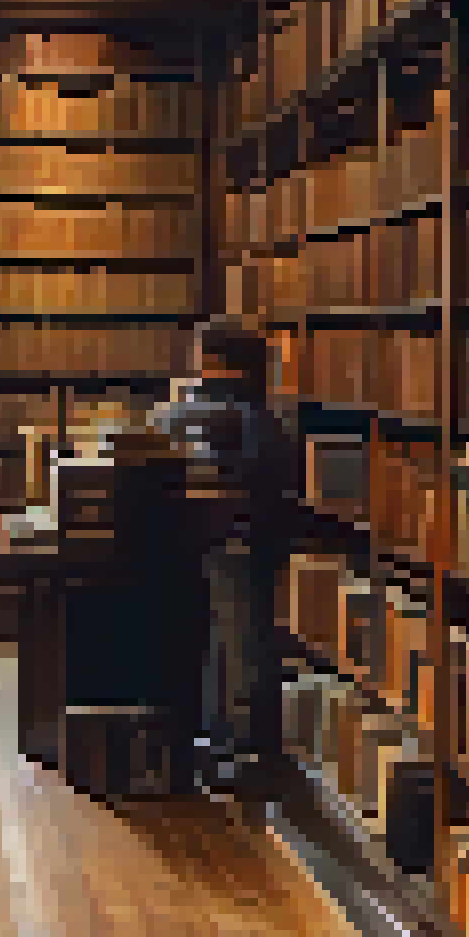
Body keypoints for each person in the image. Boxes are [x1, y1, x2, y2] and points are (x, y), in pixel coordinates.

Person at [146, 319, 299, 801]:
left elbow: (150, 446)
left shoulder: (179, 411)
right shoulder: (256, 415)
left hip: (180, 543)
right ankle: (241, 748)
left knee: (213, 641)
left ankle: (211, 740)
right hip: (246, 539)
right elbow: (273, 471)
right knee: (243, 639)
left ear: (210, 357)